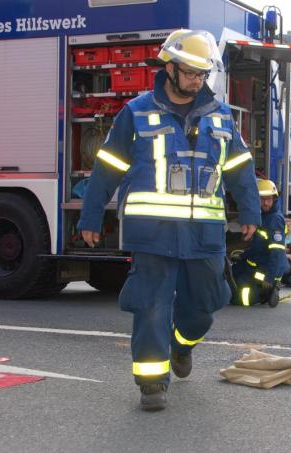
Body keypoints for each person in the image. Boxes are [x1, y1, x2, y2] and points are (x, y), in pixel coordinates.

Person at [78, 29, 261, 411]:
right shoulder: (137, 111)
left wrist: (250, 209)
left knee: (208, 302)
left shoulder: (221, 115)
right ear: (170, 68)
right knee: (152, 304)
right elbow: (108, 166)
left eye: (202, 73)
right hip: (151, 233)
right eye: (191, 71)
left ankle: (182, 343)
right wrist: (91, 214)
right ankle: (152, 384)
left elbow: (240, 168)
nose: (197, 79)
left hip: (205, 234)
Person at [230, 179, 287, 308]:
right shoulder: (263, 216)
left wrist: (270, 277)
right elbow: (258, 246)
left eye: (268, 199)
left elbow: (277, 252)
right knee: (232, 275)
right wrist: (243, 256)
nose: (265, 203)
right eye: (262, 199)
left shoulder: (274, 220)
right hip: (254, 264)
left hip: (264, 271)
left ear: (274, 199)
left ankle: (267, 292)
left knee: (239, 299)